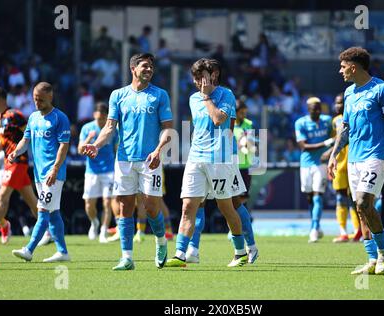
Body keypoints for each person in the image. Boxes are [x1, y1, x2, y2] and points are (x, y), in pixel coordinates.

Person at [82, 53, 173, 271]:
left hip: (151, 160)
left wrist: (159, 150)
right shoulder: (118, 95)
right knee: (125, 207)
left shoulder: (160, 95)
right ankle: (127, 258)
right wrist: (97, 145)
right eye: (145, 66)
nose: (149, 69)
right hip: (123, 159)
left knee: (152, 207)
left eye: (151, 66)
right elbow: (109, 128)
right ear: (133, 69)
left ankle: (161, 242)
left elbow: (168, 128)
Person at [165, 58, 248, 268]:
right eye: (195, 77)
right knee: (188, 206)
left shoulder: (226, 94)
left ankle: (241, 252)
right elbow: (199, 127)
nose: (198, 82)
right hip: (196, 158)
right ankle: (181, 254)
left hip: (219, 160)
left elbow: (219, 119)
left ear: (213, 77)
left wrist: (207, 98)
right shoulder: (193, 98)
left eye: (202, 77)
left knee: (225, 206)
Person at [329, 47, 384, 275]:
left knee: (362, 201)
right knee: (360, 209)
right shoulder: (349, 93)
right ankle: (372, 258)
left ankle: (383, 252)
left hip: (376, 155)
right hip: (354, 158)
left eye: (342, 67)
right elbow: (346, 128)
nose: (340, 71)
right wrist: (333, 154)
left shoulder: (381, 89)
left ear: (353, 67)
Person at [184, 98, 259, 265]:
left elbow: (236, 135)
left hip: (228, 161)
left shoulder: (225, 101)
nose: (243, 114)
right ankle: (193, 249)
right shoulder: (197, 100)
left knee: (234, 203)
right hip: (204, 158)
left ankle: (250, 246)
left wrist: (247, 147)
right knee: (199, 202)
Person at [11, 82, 71, 262]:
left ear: (50, 97)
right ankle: (63, 252)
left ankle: (29, 249)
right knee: (53, 213)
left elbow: (63, 146)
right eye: (35, 99)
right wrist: (15, 151)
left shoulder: (60, 118)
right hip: (38, 173)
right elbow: (25, 140)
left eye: (41, 100)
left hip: (53, 174)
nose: (37, 103)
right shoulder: (33, 118)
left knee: (43, 211)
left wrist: (55, 169)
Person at [0, 87, 38, 245]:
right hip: (8, 162)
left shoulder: (15, 115)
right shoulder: (0, 117)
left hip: (18, 161)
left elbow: (30, 133)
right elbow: (3, 142)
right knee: (32, 201)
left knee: (2, 195)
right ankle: (50, 231)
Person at [295, 97, 334, 243]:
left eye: (319, 108)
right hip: (306, 163)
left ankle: (314, 227)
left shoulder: (328, 121)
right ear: (308, 109)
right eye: (314, 109)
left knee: (318, 195)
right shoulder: (300, 123)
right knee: (310, 197)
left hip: (321, 163)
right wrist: (325, 143)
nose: (317, 111)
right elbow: (303, 146)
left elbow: (336, 137)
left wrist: (330, 150)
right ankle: (315, 226)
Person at [78, 102, 117, 243]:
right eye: (98, 117)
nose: (100, 120)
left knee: (107, 202)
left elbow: (117, 148)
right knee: (89, 204)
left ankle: (103, 231)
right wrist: (89, 139)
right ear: (94, 115)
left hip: (109, 170)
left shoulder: (112, 130)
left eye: (102, 118)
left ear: (106, 116)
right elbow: (80, 150)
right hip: (92, 171)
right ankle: (94, 222)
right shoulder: (87, 128)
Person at [328, 93, 361, 243]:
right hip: (339, 164)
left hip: (354, 161)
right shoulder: (335, 121)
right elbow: (336, 141)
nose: (338, 106)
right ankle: (343, 232)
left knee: (355, 198)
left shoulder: (354, 115)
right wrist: (330, 155)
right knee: (341, 197)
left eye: (340, 103)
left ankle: (358, 230)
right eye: (336, 103)